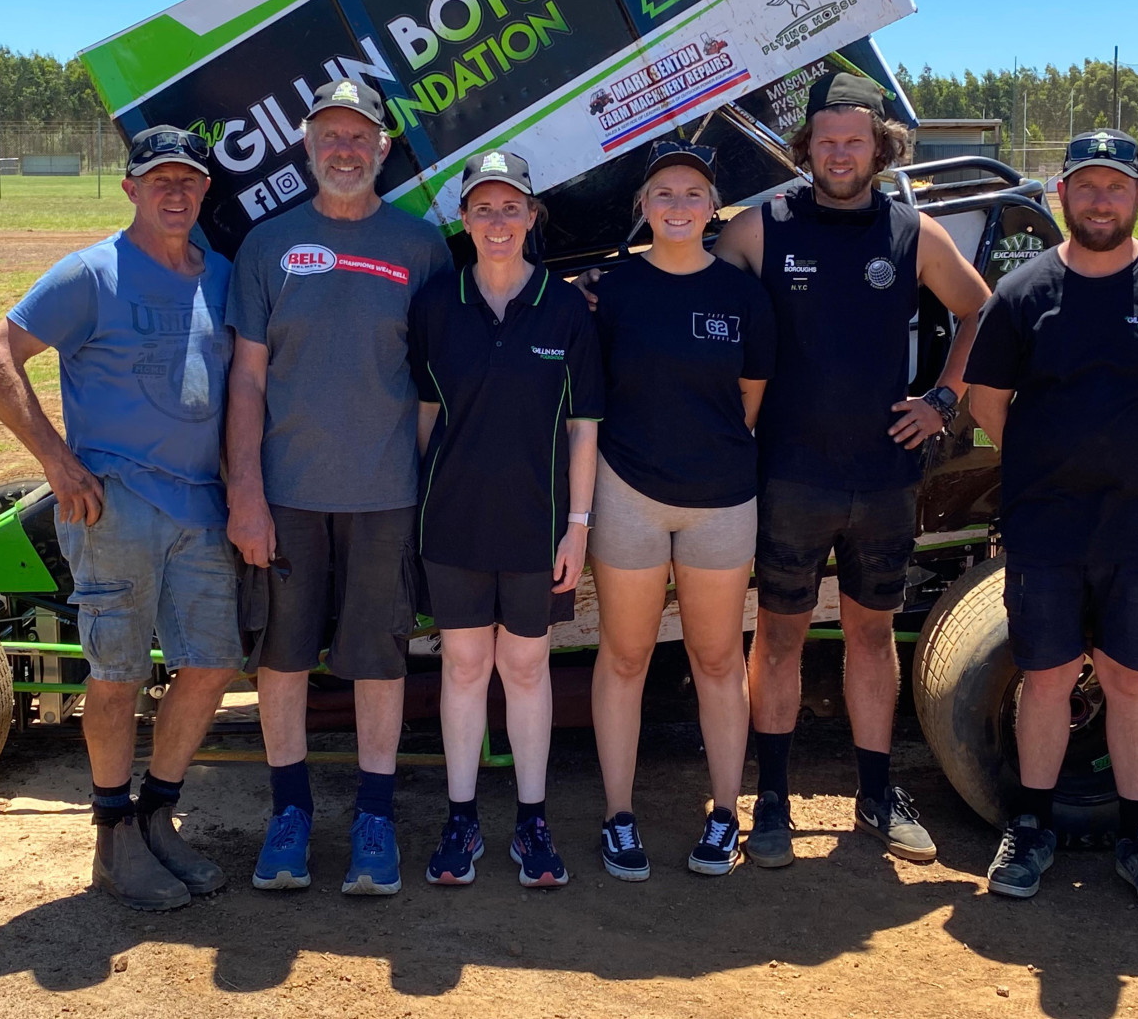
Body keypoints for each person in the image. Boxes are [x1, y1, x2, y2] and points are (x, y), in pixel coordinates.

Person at [709, 71, 993, 869]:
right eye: (826, 140)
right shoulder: (758, 229)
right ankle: (771, 800)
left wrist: (942, 396)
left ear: (878, 146)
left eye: (854, 140)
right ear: (806, 147)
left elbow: (981, 309)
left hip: (883, 474)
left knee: (871, 633)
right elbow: (688, 292)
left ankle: (875, 793)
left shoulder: (912, 234)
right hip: (788, 475)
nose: (839, 153)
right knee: (780, 638)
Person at [964, 128, 1138, 914]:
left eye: (1115, 185)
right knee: (1046, 678)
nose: (1099, 199)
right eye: (1085, 185)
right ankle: (1032, 825)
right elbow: (987, 401)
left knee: (1128, 677)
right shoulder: (1023, 293)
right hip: (1046, 526)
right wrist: (1040, 464)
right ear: (1063, 196)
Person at [0, 126, 238, 912]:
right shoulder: (90, 273)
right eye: (160, 180)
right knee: (116, 676)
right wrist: (56, 460)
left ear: (204, 190)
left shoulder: (216, 275)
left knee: (212, 664)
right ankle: (113, 835)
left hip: (201, 504)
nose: (176, 192)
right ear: (130, 189)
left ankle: (158, 817)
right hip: (116, 505)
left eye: (188, 179)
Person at [224, 79, 451, 897]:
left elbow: (432, 387)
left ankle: (375, 820)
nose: (345, 149)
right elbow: (246, 381)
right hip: (285, 496)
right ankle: (288, 816)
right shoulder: (267, 247)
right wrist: (245, 492)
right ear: (308, 145)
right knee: (281, 657)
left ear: (384, 147)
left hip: (385, 497)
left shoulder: (422, 248)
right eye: (331, 135)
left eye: (361, 136)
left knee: (378, 659)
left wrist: (422, 488)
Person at [407, 150, 603, 888]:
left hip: (537, 525)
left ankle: (530, 819)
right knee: (463, 666)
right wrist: (436, 491)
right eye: (483, 207)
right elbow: (425, 416)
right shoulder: (435, 304)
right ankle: (462, 818)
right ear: (464, 219)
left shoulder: (564, 308)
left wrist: (577, 524)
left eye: (510, 206)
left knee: (524, 667)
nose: (497, 220)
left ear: (531, 215)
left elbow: (584, 425)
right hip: (453, 526)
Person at [587, 139, 775, 880]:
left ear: (711, 206)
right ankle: (617, 816)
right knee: (626, 656)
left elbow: (750, 398)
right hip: (628, 490)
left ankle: (726, 811)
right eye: (662, 192)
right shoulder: (616, 290)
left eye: (692, 192)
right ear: (643, 205)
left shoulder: (742, 294)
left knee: (719, 657)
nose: (676, 204)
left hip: (722, 500)